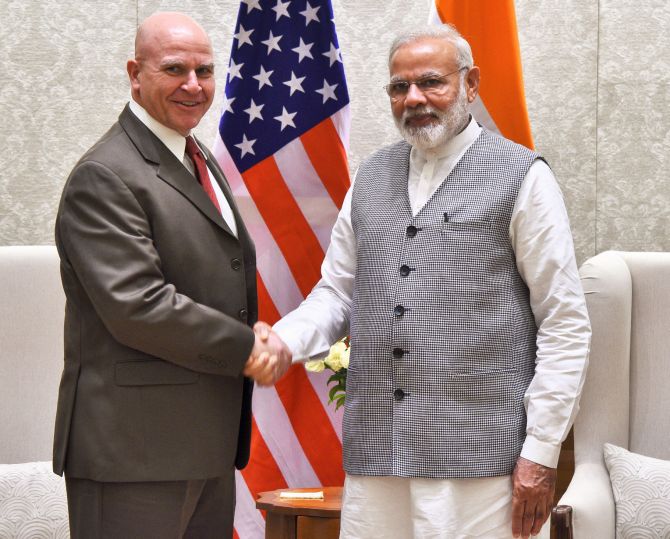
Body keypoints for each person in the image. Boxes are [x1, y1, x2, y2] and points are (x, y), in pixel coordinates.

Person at [271, 24, 591, 539]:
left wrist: (542, 451)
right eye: (400, 87)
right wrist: (282, 342)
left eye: (431, 82)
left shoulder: (523, 176)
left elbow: (564, 321)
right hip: (377, 457)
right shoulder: (370, 178)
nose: (414, 99)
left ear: (471, 84)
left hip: (482, 462)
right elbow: (336, 294)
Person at [53, 12, 290, 538]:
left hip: (201, 447)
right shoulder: (106, 174)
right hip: (133, 454)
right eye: (174, 69)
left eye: (205, 71)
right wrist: (246, 348)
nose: (193, 85)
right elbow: (138, 306)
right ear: (135, 73)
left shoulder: (193, 154)